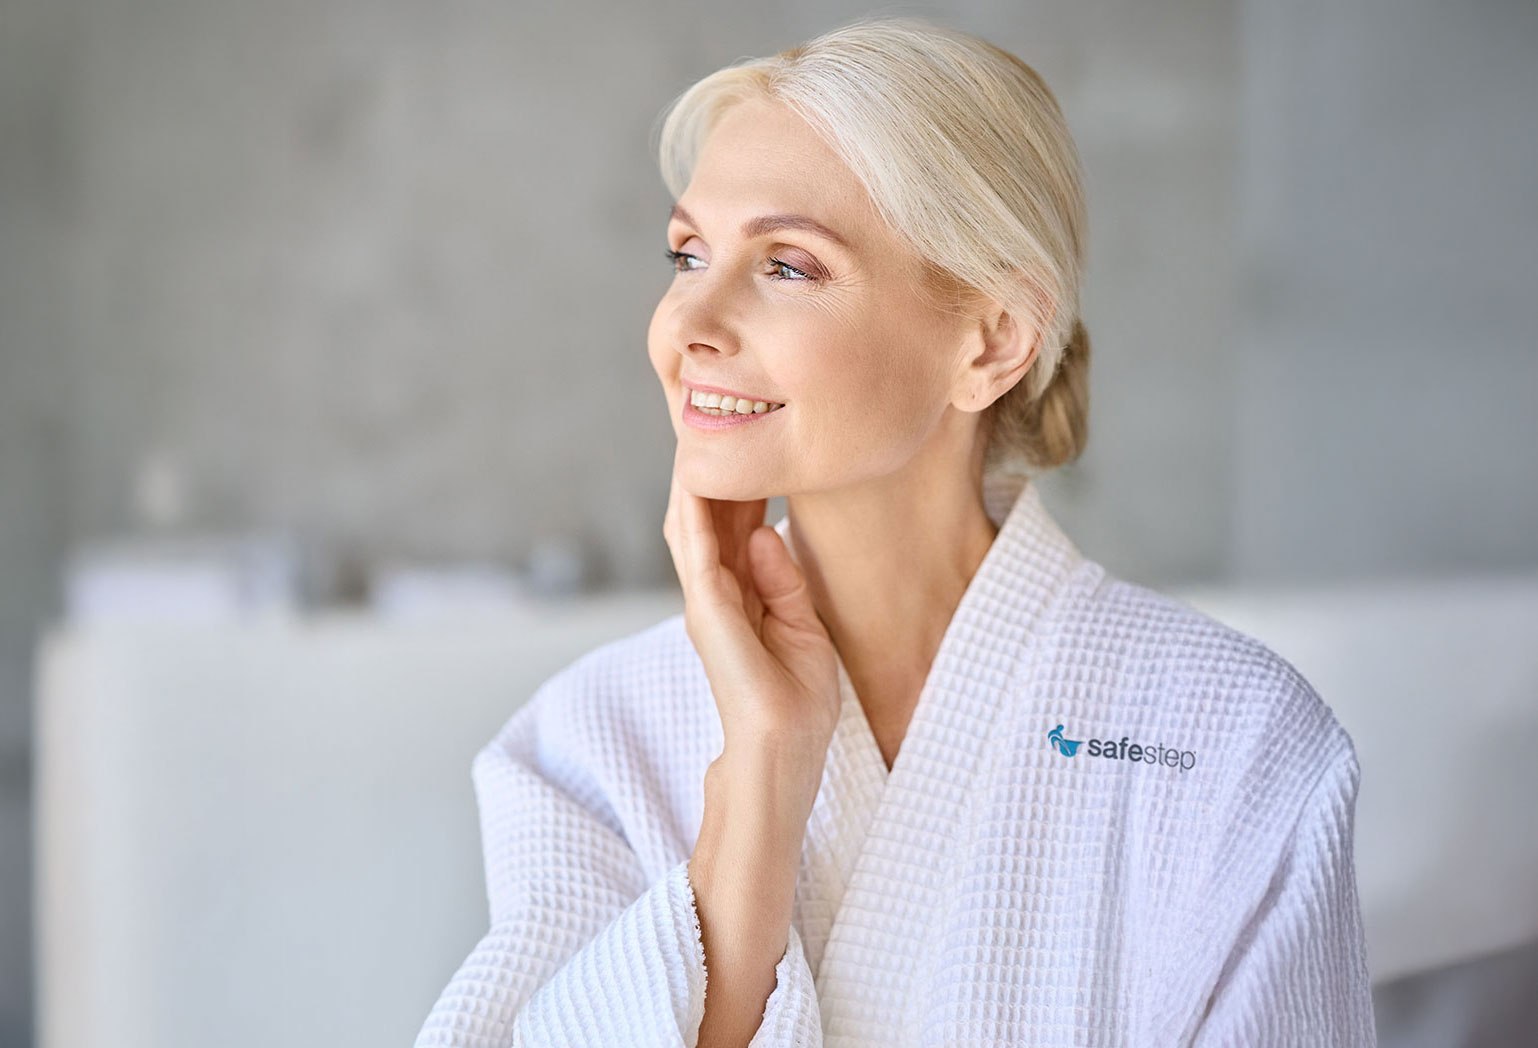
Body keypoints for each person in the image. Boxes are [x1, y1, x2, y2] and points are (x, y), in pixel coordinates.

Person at [415, 15, 1375, 1048]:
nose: (687, 323)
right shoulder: (589, 742)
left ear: (990, 342)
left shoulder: (1238, 744)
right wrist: (761, 774)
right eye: (688, 253)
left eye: (787, 265)